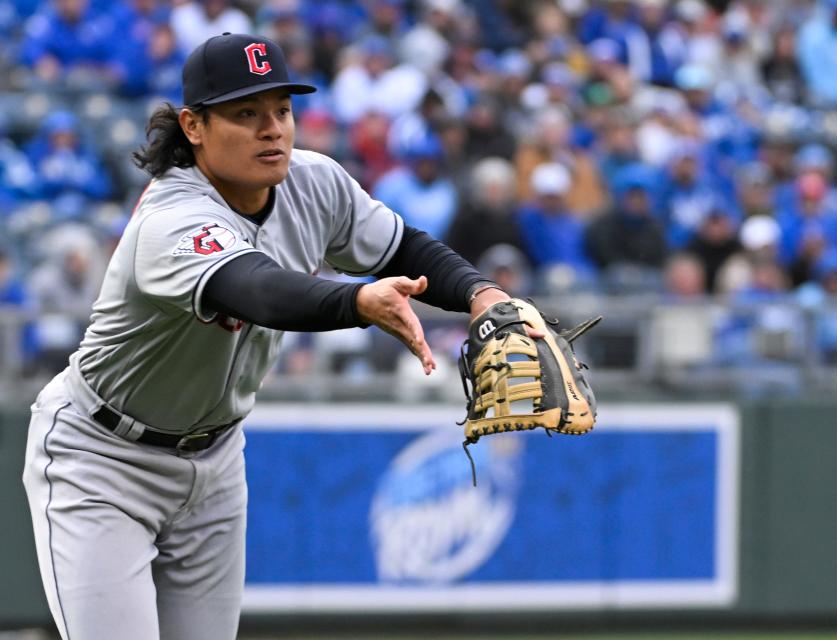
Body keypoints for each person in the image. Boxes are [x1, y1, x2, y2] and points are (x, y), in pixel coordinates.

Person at [21, 33, 514, 640]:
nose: (273, 129)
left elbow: (404, 247)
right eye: (246, 113)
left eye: (282, 110)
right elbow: (257, 288)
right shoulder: (173, 214)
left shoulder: (315, 181)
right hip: (102, 458)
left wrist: (481, 293)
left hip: (216, 461)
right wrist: (357, 299)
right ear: (193, 126)